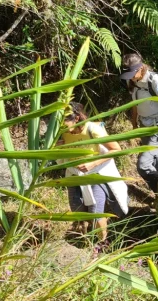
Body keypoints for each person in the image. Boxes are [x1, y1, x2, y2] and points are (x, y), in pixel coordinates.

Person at [60, 102, 128, 245]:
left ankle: (101, 244)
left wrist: (93, 163)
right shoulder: (62, 132)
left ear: (76, 118)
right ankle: (84, 240)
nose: (62, 125)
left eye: (65, 121)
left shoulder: (92, 129)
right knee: (78, 211)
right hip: (74, 175)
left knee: (96, 212)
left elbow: (116, 149)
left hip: (96, 174)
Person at [119, 53, 158, 193]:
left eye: (133, 73)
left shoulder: (155, 81)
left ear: (141, 68)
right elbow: (135, 104)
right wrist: (134, 124)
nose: (131, 77)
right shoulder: (131, 81)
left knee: (143, 165)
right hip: (144, 126)